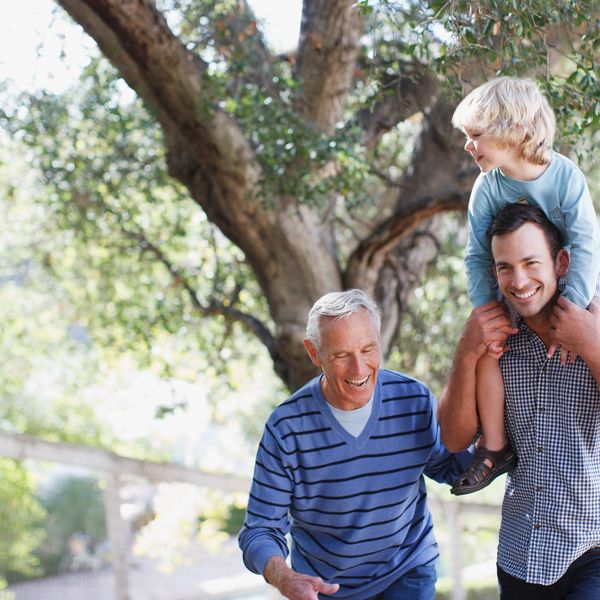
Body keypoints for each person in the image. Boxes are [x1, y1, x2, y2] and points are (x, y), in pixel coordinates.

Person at [238, 289, 472, 600]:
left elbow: (449, 468)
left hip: (407, 569)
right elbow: (260, 529)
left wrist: (498, 440)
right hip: (325, 586)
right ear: (313, 352)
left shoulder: (413, 399)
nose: (359, 370)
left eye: (368, 350)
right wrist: (285, 578)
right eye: (340, 355)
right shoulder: (286, 429)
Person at [438, 203, 600, 598]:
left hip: (592, 549)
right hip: (519, 554)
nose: (519, 280)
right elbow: (455, 439)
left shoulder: (593, 317)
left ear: (561, 262)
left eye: (531, 262)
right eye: (504, 266)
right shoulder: (493, 332)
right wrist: (466, 351)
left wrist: (590, 346)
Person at [449, 76, 600, 495]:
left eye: (476, 135)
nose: (468, 145)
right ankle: (494, 446)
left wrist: (575, 308)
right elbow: (478, 254)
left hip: (573, 280)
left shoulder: (565, 177)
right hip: (517, 283)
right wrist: (485, 312)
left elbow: (587, 243)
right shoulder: (488, 187)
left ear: (513, 131)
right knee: (486, 350)